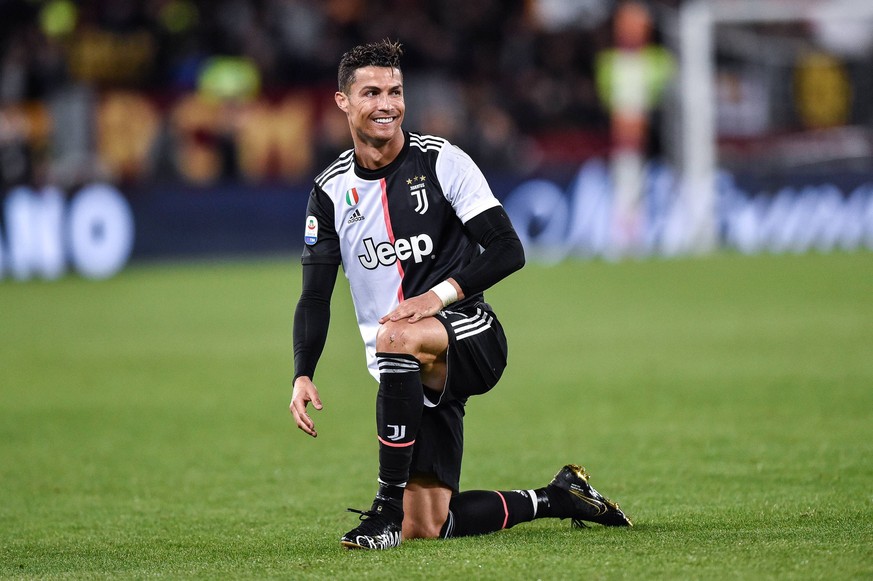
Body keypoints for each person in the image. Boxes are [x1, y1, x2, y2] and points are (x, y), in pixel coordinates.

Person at [289, 39, 631, 550]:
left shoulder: (442, 162)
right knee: (429, 523)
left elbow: (507, 249)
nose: (387, 104)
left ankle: (382, 513)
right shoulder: (330, 190)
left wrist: (438, 297)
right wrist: (302, 371)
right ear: (343, 102)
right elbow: (315, 296)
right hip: (402, 365)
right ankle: (559, 497)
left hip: (470, 335)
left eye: (396, 91)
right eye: (371, 92)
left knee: (396, 337)